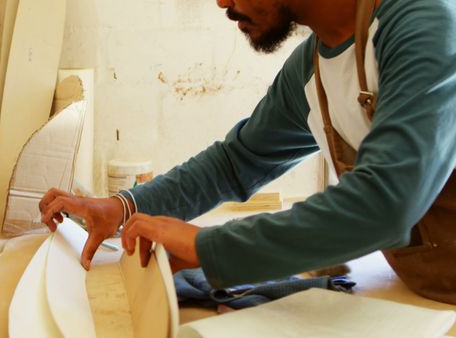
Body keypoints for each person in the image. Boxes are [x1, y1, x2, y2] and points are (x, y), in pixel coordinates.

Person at [40, 0, 456, 304]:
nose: (222, 3)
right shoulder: (309, 70)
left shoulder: (425, 24)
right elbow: (235, 163)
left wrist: (209, 248)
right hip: (426, 297)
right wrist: (124, 206)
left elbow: (387, 202)